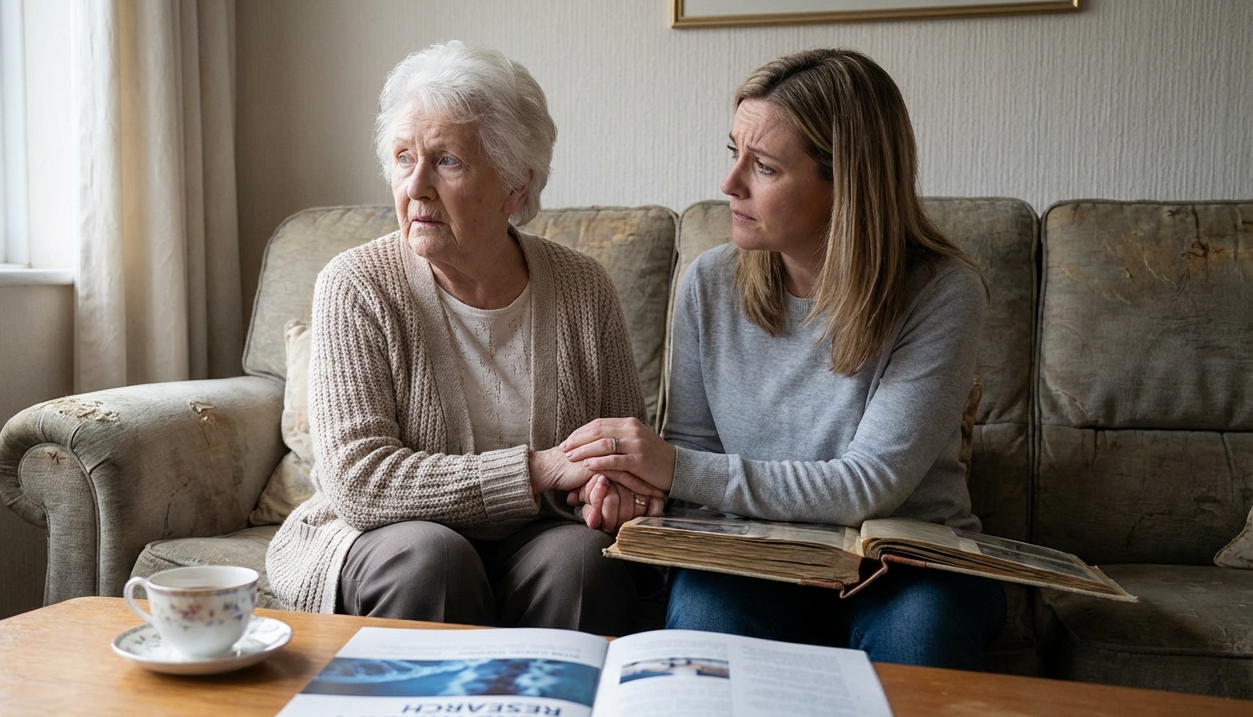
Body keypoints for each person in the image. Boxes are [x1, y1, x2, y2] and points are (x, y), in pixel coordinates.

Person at [561, 49, 1005, 670]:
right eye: (732, 153)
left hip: (905, 564)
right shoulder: (709, 283)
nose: (729, 184)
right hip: (756, 556)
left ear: (847, 184)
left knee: (918, 636)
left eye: (763, 166)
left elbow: (869, 484)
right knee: (703, 624)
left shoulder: (942, 292)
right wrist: (634, 489)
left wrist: (670, 468)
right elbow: (691, 454)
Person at [266, 41, 660, 636]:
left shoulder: (583, 287)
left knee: (583, 562)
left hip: (538, 542)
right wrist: (538, 470)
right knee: (435, 560)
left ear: (515, 186)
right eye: (403, 158)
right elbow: (360, 483)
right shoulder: (356, 285)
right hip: (389, 541)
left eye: (446, 161)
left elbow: (621, 449)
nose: (415, 186)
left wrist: (611, 490)